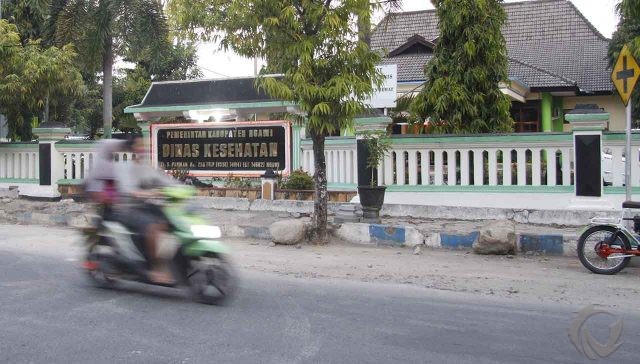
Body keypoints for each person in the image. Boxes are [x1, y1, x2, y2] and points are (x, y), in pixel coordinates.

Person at [114, 134, 178, 284]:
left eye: (145, 145)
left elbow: (165, 181)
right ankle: (156, 268)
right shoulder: (124, 167)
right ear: (132, 149)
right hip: (128, 209)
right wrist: (146, 192)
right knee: (154, 227)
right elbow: (129, 189)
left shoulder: (146, 167)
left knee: (172, 223)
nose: (143, 148)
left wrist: (184, 188)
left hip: (145, 206)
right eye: (140, 145)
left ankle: (171, 262)